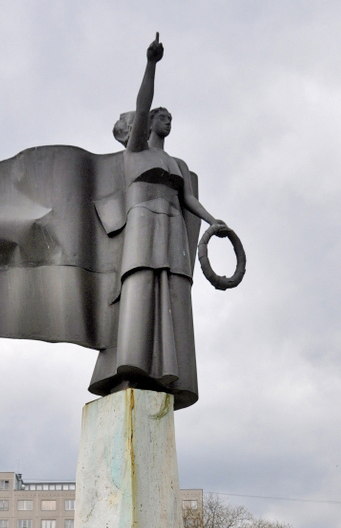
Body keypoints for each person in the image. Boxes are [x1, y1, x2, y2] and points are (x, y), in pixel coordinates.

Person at [89, 35, 226, 410]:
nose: (168, 121)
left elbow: (189, 199)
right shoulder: (135, 151)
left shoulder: (178, 164)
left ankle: (165, 369)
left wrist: (215, 222)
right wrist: (151, 64)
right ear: (149, 123)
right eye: (162, 116)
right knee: (141, 282)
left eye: (170, 118)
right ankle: (130, 363)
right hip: (143, 221)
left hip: (172, 226)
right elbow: (142, 101)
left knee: (171, 291)